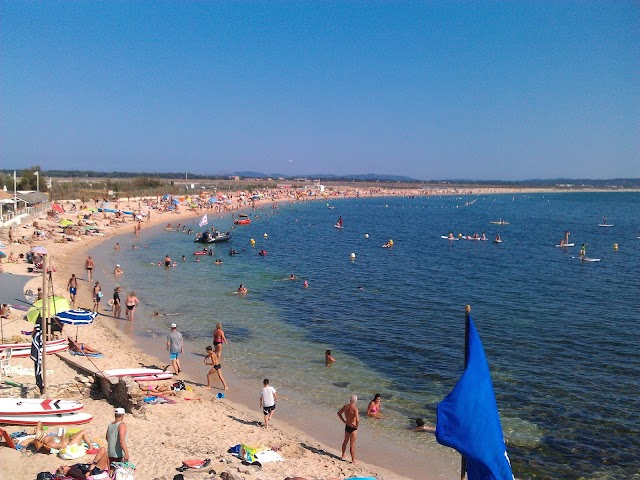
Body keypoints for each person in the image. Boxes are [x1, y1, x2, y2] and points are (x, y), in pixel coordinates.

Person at [29, 421, 94, 453]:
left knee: (81, 432)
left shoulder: (48, 437)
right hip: (69, 444)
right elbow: (61, 446)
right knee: (83, 432)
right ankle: (91, 446)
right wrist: (63, 436)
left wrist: (60, 436)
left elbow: (39, 422)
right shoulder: (48, 444)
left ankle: (90, 445)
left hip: (68, 439)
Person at [337, 395, 359, 463]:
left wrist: (344, 421)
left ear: (350, 400)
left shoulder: (346, 407)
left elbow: (339, 413)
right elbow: (357, 420)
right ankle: (353, 460)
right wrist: (356, 426)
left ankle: (343, 455)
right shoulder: (355, 409)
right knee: (352, 445)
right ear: (355, 401)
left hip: (347, 426)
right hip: (353, 428)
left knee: (345, 442)